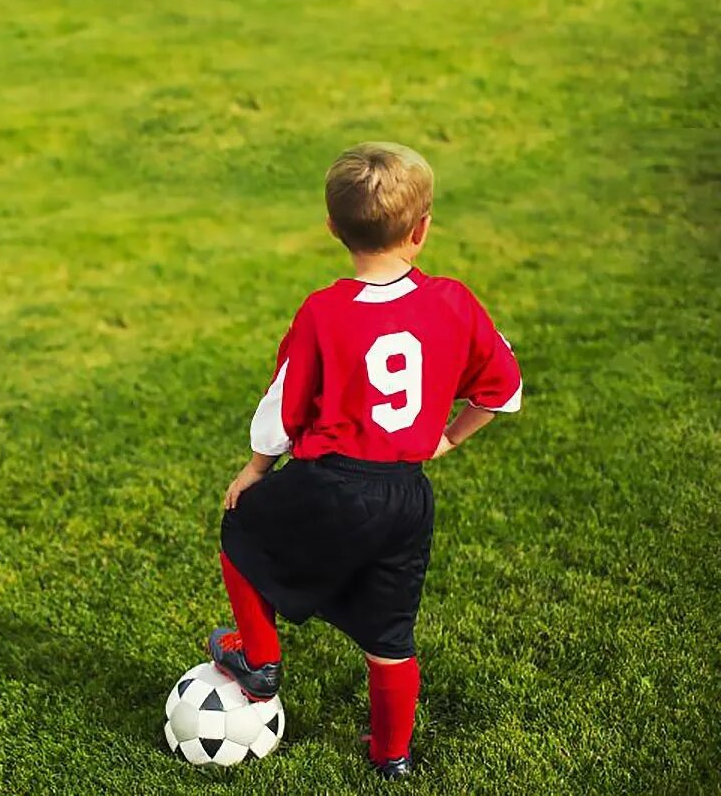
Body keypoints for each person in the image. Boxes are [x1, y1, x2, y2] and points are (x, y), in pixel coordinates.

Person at [209, 142, 522, 779]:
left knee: (242, 531)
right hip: (406, 496)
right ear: (422, 230)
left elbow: (283, 406)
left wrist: (255, 471)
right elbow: (504, 387)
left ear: (332, 229)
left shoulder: (324, 312)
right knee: (390, 637)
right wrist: (450, 438)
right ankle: (392, 759)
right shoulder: (454, 301)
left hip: (332, 481)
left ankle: (260, 658)